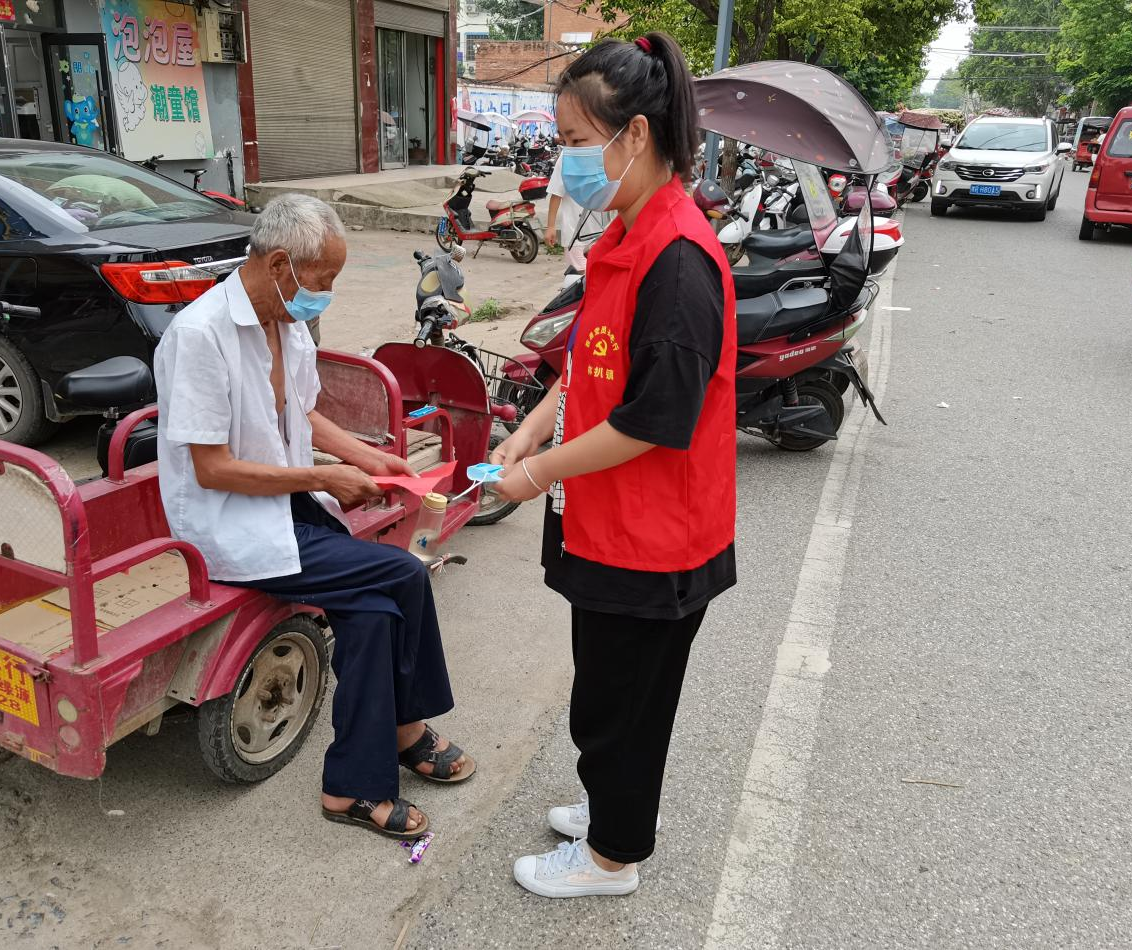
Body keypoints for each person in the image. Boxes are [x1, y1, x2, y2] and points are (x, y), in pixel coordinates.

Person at [492, 33, 738, 898]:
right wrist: (535, 421)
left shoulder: (678, 260)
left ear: (632, 135)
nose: (563, 162)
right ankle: (612, 808)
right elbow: (591, 358)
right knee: (610, 696)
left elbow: (653, 419)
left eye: (570, 142)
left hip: (654, 538)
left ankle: (611, 859)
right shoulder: (628, 233)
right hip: (611, 522)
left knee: (621, 706)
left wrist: (536, 472)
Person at [154, 194, 475, 841]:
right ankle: (405, 732)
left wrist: (372, 458)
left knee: (376, 613)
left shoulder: (285, 322)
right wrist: (324, 477)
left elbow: (300, 414)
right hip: (226, 521)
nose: (326, 292)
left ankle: (352, 786)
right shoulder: (200, 335)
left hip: (281, 501)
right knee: (400, 577)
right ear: (280, 264)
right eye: (323, 279)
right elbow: (212, 469)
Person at [544, 145, 615, 272]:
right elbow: (556, 193)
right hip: (575, 235)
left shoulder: (607, 151)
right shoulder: (567, 156)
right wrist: (551, 226)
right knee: (581, 279)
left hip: (603, 234)